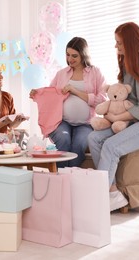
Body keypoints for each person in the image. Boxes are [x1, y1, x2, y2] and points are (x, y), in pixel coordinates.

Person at [88, 22, 139, 212]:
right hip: (134, 119)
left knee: (111, 146)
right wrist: (114, 115)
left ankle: (97, 204)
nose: (116, 46)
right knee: (94, 138)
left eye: (120, 43)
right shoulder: (126, 65)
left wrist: (118, 116)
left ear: (131, 43)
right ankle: (113, 193)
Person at [29, 37, 106, 167]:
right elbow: (51, 94)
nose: (70, 59)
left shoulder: (95, 72)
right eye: (68, 54)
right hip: (62, 121)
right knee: (63, 139)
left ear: (83, 55)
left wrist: (75, 91)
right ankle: (61, 177)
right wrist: (38, 93)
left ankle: (70, 176)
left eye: (74, 56)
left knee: (79, 143)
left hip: (86, 123)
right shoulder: (61, 74)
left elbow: (102, 100)